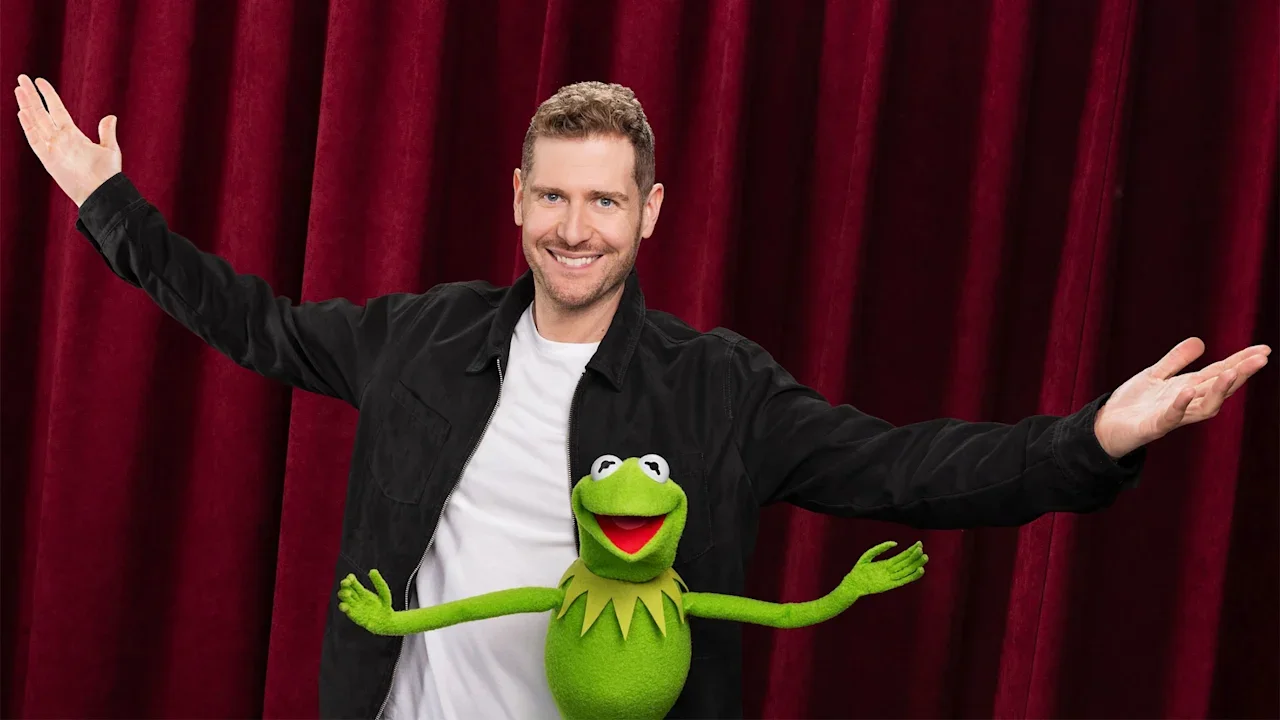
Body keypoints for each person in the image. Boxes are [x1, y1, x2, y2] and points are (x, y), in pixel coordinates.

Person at [14, 74, 1270, 719]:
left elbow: (905, 468)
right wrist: (107, 203)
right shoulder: (419, 339)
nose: (575, 229)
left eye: (604, 201)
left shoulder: (718, 389)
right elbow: (254, 322)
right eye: (553, 197)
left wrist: (1093, 440)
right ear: (517, 198)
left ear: (649, 212)